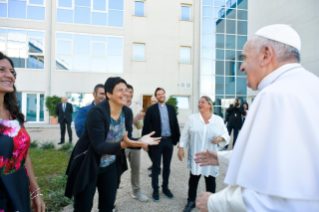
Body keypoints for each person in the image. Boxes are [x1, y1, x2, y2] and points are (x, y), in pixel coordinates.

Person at [194, 24, 319, 212]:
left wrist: (214, 203)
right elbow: (276, 158)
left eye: (244, 58)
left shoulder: (274, 95)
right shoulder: (311, 84)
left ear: (266, 55)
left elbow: (275, 196)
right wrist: (221, 157)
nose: (241, 67)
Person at [65, 77, 161, 212]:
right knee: (83, 207)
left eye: (126, 90)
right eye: (120, 90)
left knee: (108, 206)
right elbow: (98, 146)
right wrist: (123, 144)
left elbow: (128, 139)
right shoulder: (96, 112)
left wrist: (140, 141)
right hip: (88, 163)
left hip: (110, 164)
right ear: (109, 94)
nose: (125, 93)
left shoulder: (127, 112)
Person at [0, 52, 45, 211]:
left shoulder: (13, 114)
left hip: (19, 192)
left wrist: (35, 190)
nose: (9, 75)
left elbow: (22, 154)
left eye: (11, 71)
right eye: (1, 70)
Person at [178, 96, 229, 212]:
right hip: (196, 154)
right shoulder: (192, 118)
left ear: (209, 105)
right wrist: (181, 148)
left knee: (210, 180)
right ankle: (191, 201)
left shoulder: (218, 120)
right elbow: (185, 134)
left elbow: (226, 136)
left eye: (203, 102)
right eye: (199, 102)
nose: (200, 104)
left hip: (210, 156)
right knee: (193, 179)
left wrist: (219, 139)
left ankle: (210, 204)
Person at [142, 87, 180, 201]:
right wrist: (145, 142)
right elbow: (146, 126)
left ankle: (165, 188)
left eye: (162, 93)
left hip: (169, 140)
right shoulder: (151, 109)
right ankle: (155, 190)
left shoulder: (171, 108)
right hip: (156, 141)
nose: (161, 95)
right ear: (156, 96)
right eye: (158, 94)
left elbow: (175, 124)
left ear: (165, 94)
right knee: (156, 166)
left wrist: (177, 141)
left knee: (167, 166)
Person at [125, 84, 149, 201]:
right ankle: (111, 197)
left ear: (132, 94)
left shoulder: (137, 107)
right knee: (116, 170)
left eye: (131, 92)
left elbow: (139, 126)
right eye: (127, 91)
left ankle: (136, 192)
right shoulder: (119, 107)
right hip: (122, 142)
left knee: (135, 168)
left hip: (135, 141)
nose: (129, 94)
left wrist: (139, 119)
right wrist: (133, 120)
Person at [147, 95, 158, 173]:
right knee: (149, 150)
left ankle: (157, 168)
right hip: (149, 135)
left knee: (156, 152)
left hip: (157, 135)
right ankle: (154, 164)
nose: (153, 103)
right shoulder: (149, 110)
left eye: (155, 101)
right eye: (152, 101)